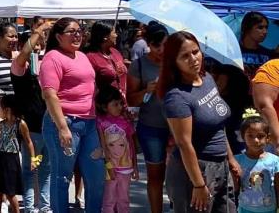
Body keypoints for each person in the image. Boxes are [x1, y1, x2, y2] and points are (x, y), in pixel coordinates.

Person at [159, 31, 238, 212]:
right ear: (174, 62)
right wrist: (199, 185)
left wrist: (231, 158)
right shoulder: (176, 96)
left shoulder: (207, 79)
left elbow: (218, 124)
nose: (193, 59)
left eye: (195, 52)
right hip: (194, 172)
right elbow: (184, 144)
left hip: (220, 165)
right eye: (185, 56)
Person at [39, 17, 104, 213]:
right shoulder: (52, 57)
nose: (77, 34)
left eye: (80, 30)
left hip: (89, 123)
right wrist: (62, 127)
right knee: (62, 177)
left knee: (96, 176)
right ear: (58, 37)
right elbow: (49, 94)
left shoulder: (82, 56)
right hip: (65, 123)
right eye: (72, 31)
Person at [125, 22, 169, 213]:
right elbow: (131, 99)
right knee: (156, 176)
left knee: (178, 175)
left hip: (177, 126)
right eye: (156, 45)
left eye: (165, 45)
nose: (161, 50)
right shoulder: (139, 65)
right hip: (151, 127)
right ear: (147, 44)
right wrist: (146, 90)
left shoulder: (176, 62)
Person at [11, 24, 51, 213]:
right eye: (32, 46)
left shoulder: (45, 66)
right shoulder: (20, 68)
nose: (36, 49)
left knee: (46, 170)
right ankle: (29, 208)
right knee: (30, 170)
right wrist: (37, 31)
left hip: (49, 126)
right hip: (31, 128)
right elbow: (24, 54)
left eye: (39, 46)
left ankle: (44, 207)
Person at [0, 94, 36, 213]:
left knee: (10, 192)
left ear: (8, 109)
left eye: (1, 107)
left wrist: (33, 159)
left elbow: (29, 142)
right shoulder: (1, 124)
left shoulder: (20, 124)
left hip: (11, 160)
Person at [96, 85, 138, 213]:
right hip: (109, 169)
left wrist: (135, 166)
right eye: (115, 104)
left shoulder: (125, 122)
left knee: (123, 199)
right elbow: (103, 147)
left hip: (126, 168)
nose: (119, 107)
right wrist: (109, 167)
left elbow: (131, 145)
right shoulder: (100, 122)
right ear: (104, 107)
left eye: (120, 104)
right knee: (109, 200)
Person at [232, 109, 279, 213]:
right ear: (243, 137)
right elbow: (235, 188)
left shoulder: (275, 161)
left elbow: (277, 187)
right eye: (250, 136)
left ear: (268, 138)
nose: (256, 140)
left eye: (260, 136)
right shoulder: (237, 160)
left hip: (269, 209)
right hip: (245, 209)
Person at [85, 21, 128, 103]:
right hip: (104, 106)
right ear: (105, 37)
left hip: (122, 103)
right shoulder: (90, 57)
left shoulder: (115, 52)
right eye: (114, 32)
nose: (116, 35)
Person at [240, 12, 275, 81]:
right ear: (247, 28)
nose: (265, 32)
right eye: (260, 27)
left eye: (266, 27)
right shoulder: (234, 52)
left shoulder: (268, 54)